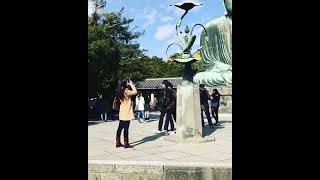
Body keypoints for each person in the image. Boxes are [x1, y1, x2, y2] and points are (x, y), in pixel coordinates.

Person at [115, 79, 137, 148]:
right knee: (126, 128)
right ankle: (126, 143)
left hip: (122, 112)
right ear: (125, 84)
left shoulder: (119, 92)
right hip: (127, 112)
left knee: (120, 128)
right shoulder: (126, 91)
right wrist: (131, 84)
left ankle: (118, 142)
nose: (128, 83)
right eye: (127, 82)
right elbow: (135, 92)